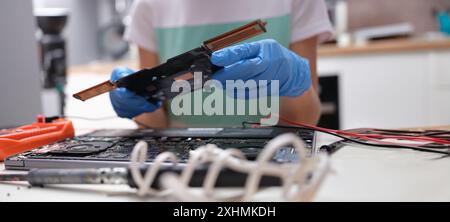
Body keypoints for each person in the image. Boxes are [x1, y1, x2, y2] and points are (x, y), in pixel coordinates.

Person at [110, 0, 333, 128]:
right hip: (181, 170)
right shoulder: (148, 6)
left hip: (274, 163)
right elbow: (155, 123)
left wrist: (296, 80)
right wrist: (137, 100)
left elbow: (306, 119)